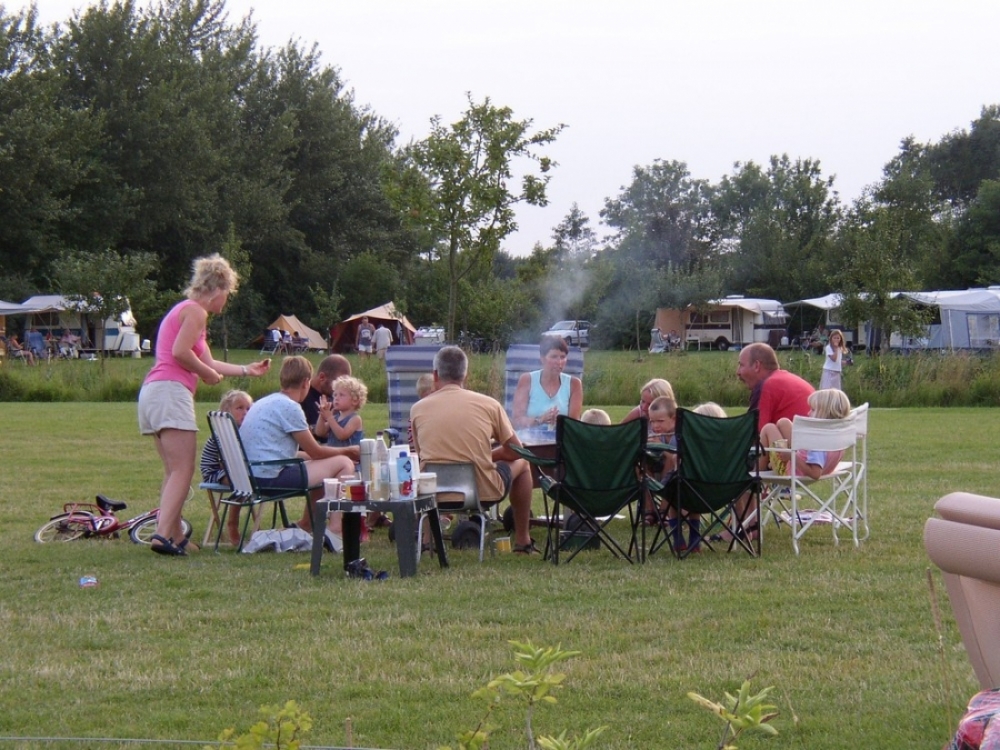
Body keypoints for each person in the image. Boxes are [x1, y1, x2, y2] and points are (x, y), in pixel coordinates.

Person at [138, 254, 271, 556]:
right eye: (228, 295)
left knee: (172, 471)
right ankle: (162, 536)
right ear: (218, 290)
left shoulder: (184, 311)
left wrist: (247, 370)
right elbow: (182, 353)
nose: (226, 302)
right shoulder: (197, 312)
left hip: (153, 393)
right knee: (183, 470)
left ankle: (174, 535)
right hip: (170, 391)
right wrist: (206, 374)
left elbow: (208, 359)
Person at [410, 345, 537, 554]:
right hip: (480, 492)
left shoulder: (418, 409)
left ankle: (427, 541)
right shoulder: (489, 405)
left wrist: (484, 456)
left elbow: (422, 454)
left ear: (435, 375)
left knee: (428, 470)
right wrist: (488, 456)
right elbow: (516, 451)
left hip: (433, 493)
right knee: (523, 462)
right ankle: (523, 540)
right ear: (465, 374)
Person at [239, 356, 358, 535]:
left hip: (251, 474)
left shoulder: (264, 402)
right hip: (269, 478)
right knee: (343, 463)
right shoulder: (290, 407)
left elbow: (302, 453)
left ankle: (307, 524)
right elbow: (315, 451)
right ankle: (335, 527)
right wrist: (348, 451)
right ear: (305, 382)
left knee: (324, 465)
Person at [200, 389, 253, 546]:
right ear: (226, 411)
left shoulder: (243, 431)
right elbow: (226, 460)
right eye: (240, 408)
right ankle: (232, 524)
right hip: (214, 470)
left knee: (246, 479)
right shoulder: (224, 432)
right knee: (242, 482)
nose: (245, 412)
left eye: (249, 408)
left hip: (232, 469)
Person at [759, 388, 852, 479]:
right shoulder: (837, 434)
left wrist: (791, 456)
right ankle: (769, 462)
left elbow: (815, 473)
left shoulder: (817, 442)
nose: (808, 413)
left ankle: (758, 471)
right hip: (801, 460)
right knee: (784, 422)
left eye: (813, 409)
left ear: (824, 413)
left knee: (769, 428)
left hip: (789, 471)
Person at [511, 335, 584, 430]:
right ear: (542, 358)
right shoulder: (527, 380)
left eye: (563, 357)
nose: (559, 362)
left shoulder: (574, 384)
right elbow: (517, 421)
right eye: (554, 356)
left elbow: (574, 425)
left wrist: (560, 422)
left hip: (560, 441)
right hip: (530, 440)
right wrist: (540, 420)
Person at [736, 342, 814, 431]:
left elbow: (754, 434)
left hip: (796, 442)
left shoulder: (767, 386)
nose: (738, 372)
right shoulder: (790, 380)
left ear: (757, 366)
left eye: (741, 365)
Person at [301, 354, 353, 442]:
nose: (342, 387)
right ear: (322, 377)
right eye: (337, 383)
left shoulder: (336, 399)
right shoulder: (302, 398)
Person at [319, 375, 366, 448]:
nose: (336, 398)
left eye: (341, 395)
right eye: (335, 395)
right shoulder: (335, 418)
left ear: (354, 400)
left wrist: (329, 417)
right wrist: (322, 414)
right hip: (334, 456)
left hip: (350, 457)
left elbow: (342, 435)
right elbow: (320, 432)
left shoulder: (355, 419)